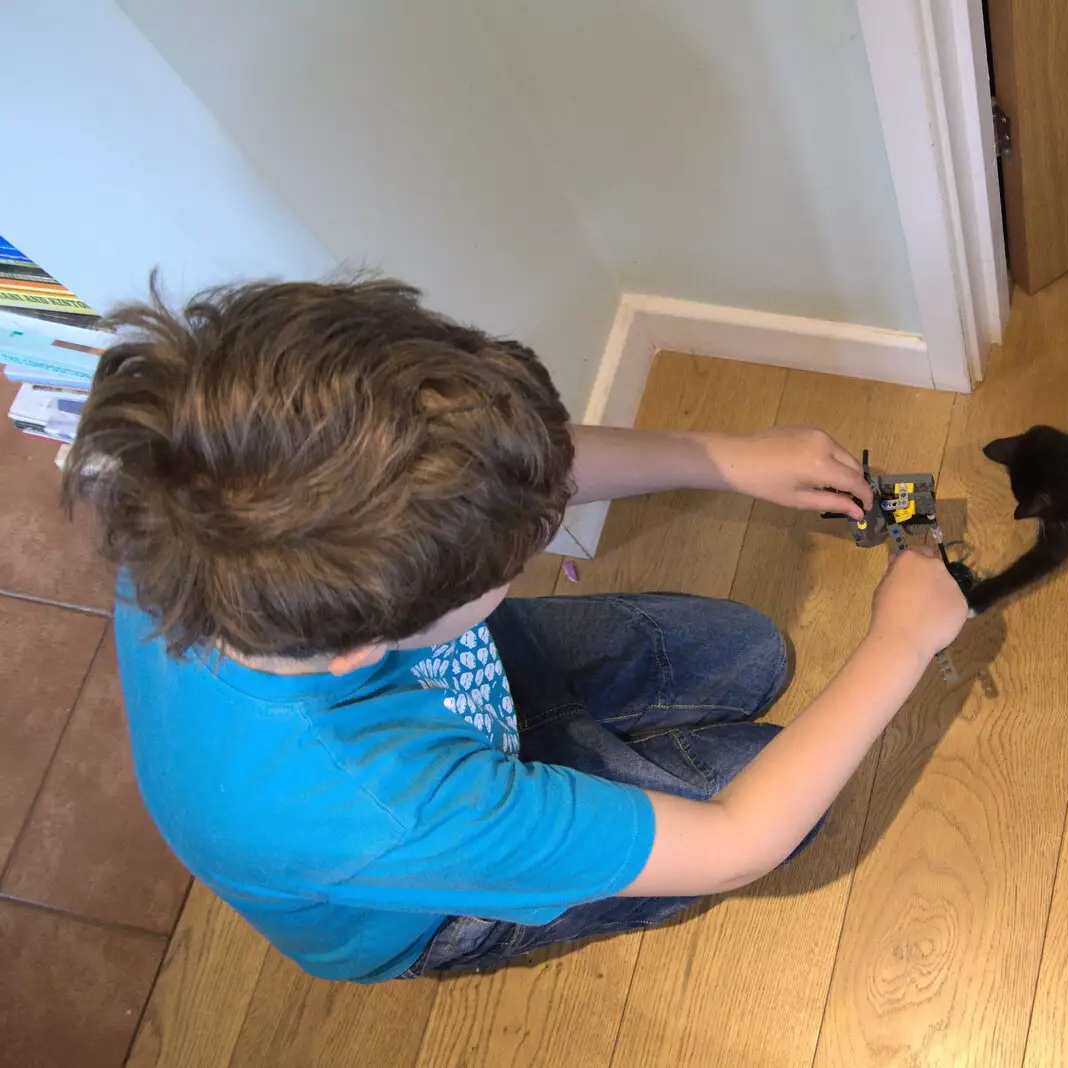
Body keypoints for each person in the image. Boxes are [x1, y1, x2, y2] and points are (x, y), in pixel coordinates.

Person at [65, 278, 968, 983]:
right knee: (785, 814)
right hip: (432, 893)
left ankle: (560, 754)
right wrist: (901, 642)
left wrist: (721, 457)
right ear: (364, 643)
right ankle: (554, 820)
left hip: (465, 692)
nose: (536, 541)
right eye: (517, 555)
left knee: (752, 651)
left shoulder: (195, 497)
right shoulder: (387, 809)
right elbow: (741, 842)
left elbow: (498, 473)